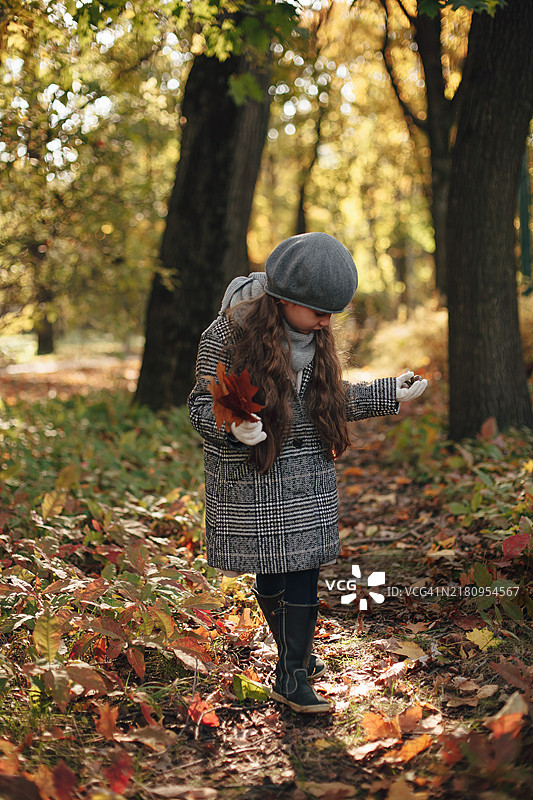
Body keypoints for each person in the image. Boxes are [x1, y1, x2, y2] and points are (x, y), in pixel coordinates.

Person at [187, 232, 427, 714]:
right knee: (271, 571)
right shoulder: (228, 334)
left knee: (303, 566)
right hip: (252, 476)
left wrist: (389, 393)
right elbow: (201, 404)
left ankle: (293, 670)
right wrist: (234, 426)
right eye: (318, 310)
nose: (325, 320)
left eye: (332, 312)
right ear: (284, 299)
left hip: (306, 473)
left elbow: (328, 400)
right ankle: (291, 654)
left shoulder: (317, 337)